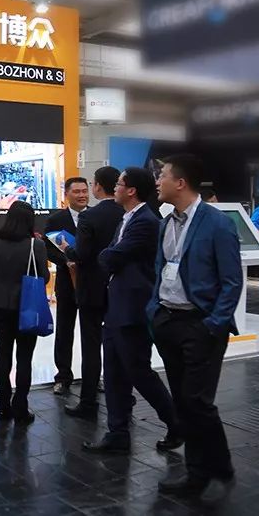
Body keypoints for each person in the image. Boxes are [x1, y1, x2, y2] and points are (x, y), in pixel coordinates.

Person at [149, 154, 240, 506]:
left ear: (181, 182)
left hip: (200, 325)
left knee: (197, 402)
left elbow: (232, 281)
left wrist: (213, 324)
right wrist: (154, 312)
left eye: (163, 175)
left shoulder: (217, 223)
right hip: (168, 321)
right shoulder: (165, 223)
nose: (157, 181)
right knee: (185, 403)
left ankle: (203, 472)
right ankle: (216, 465)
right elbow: (161, 269)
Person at [84, 167, 180, 455]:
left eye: (119, 184)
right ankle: (118, 432)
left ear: (131, 190)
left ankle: (176, 423)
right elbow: (112, 253)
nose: (114, 188)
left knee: (138, 371)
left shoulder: (146, 221)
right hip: (117, 306)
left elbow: (111, 256)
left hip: (133, 309)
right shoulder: (128, 218)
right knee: (114, 373)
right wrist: (108, 255)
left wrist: (107, 255)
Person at [56, 166, 123, 420]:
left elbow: (81, 253)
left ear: (97, 187)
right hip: (117, 286)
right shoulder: (127, 213)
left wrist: (66, 248)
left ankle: (88, 400)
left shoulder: (90, 217)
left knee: (91, 344)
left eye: (88, 187)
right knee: (118, 342)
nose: (84, 194)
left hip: (91, 287)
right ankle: (122, 396)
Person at [0, 200, 48, 424]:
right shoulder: (36, 245)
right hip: (27, 306)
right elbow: (44, 277)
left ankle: (2, 404)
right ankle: (20, 406)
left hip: (1, 303)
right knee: (24, 356)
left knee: (3, 352)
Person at [43, 177, 90, 396]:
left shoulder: (95, 216)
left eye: (84, 191)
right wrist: (65, 261)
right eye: (77, 192)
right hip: (66, 281)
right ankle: (63, 376)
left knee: (91, 332)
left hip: (91, 282)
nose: (82, 195)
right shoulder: (56, 219)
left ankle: (92, 376)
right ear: (67, 194)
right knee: (64, 330)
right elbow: (48, 248)